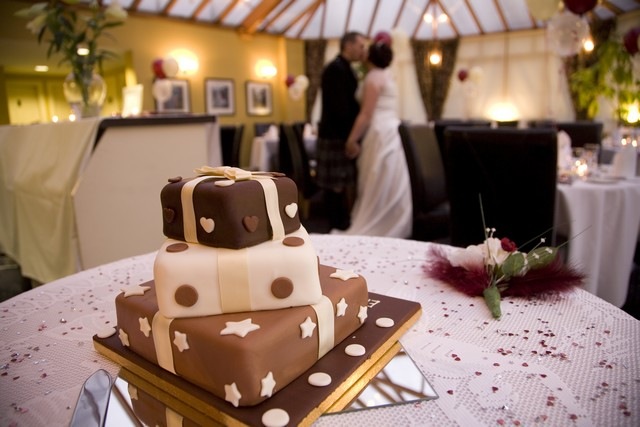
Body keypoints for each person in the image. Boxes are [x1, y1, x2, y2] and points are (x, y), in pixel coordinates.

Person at [337, 37, 412, 238]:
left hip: (379, 131)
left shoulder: (373, 78)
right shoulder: (387, 75)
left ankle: (378, 220)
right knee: (389, 176)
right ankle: (394, 219)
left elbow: (366, 113)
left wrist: (352, 139)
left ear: (370, 57)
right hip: (392, 130)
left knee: (376, 176)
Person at [317, 31, 367, 230]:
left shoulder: (344, 68)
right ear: (349, 45)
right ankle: (336, 226)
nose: (363, 50)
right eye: (360, 46)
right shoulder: (335, 69)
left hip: (338, 134)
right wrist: (351, 138)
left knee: (340, 184)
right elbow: (340, 109)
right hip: (335, 135)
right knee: (335, 186)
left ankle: (339, 223)